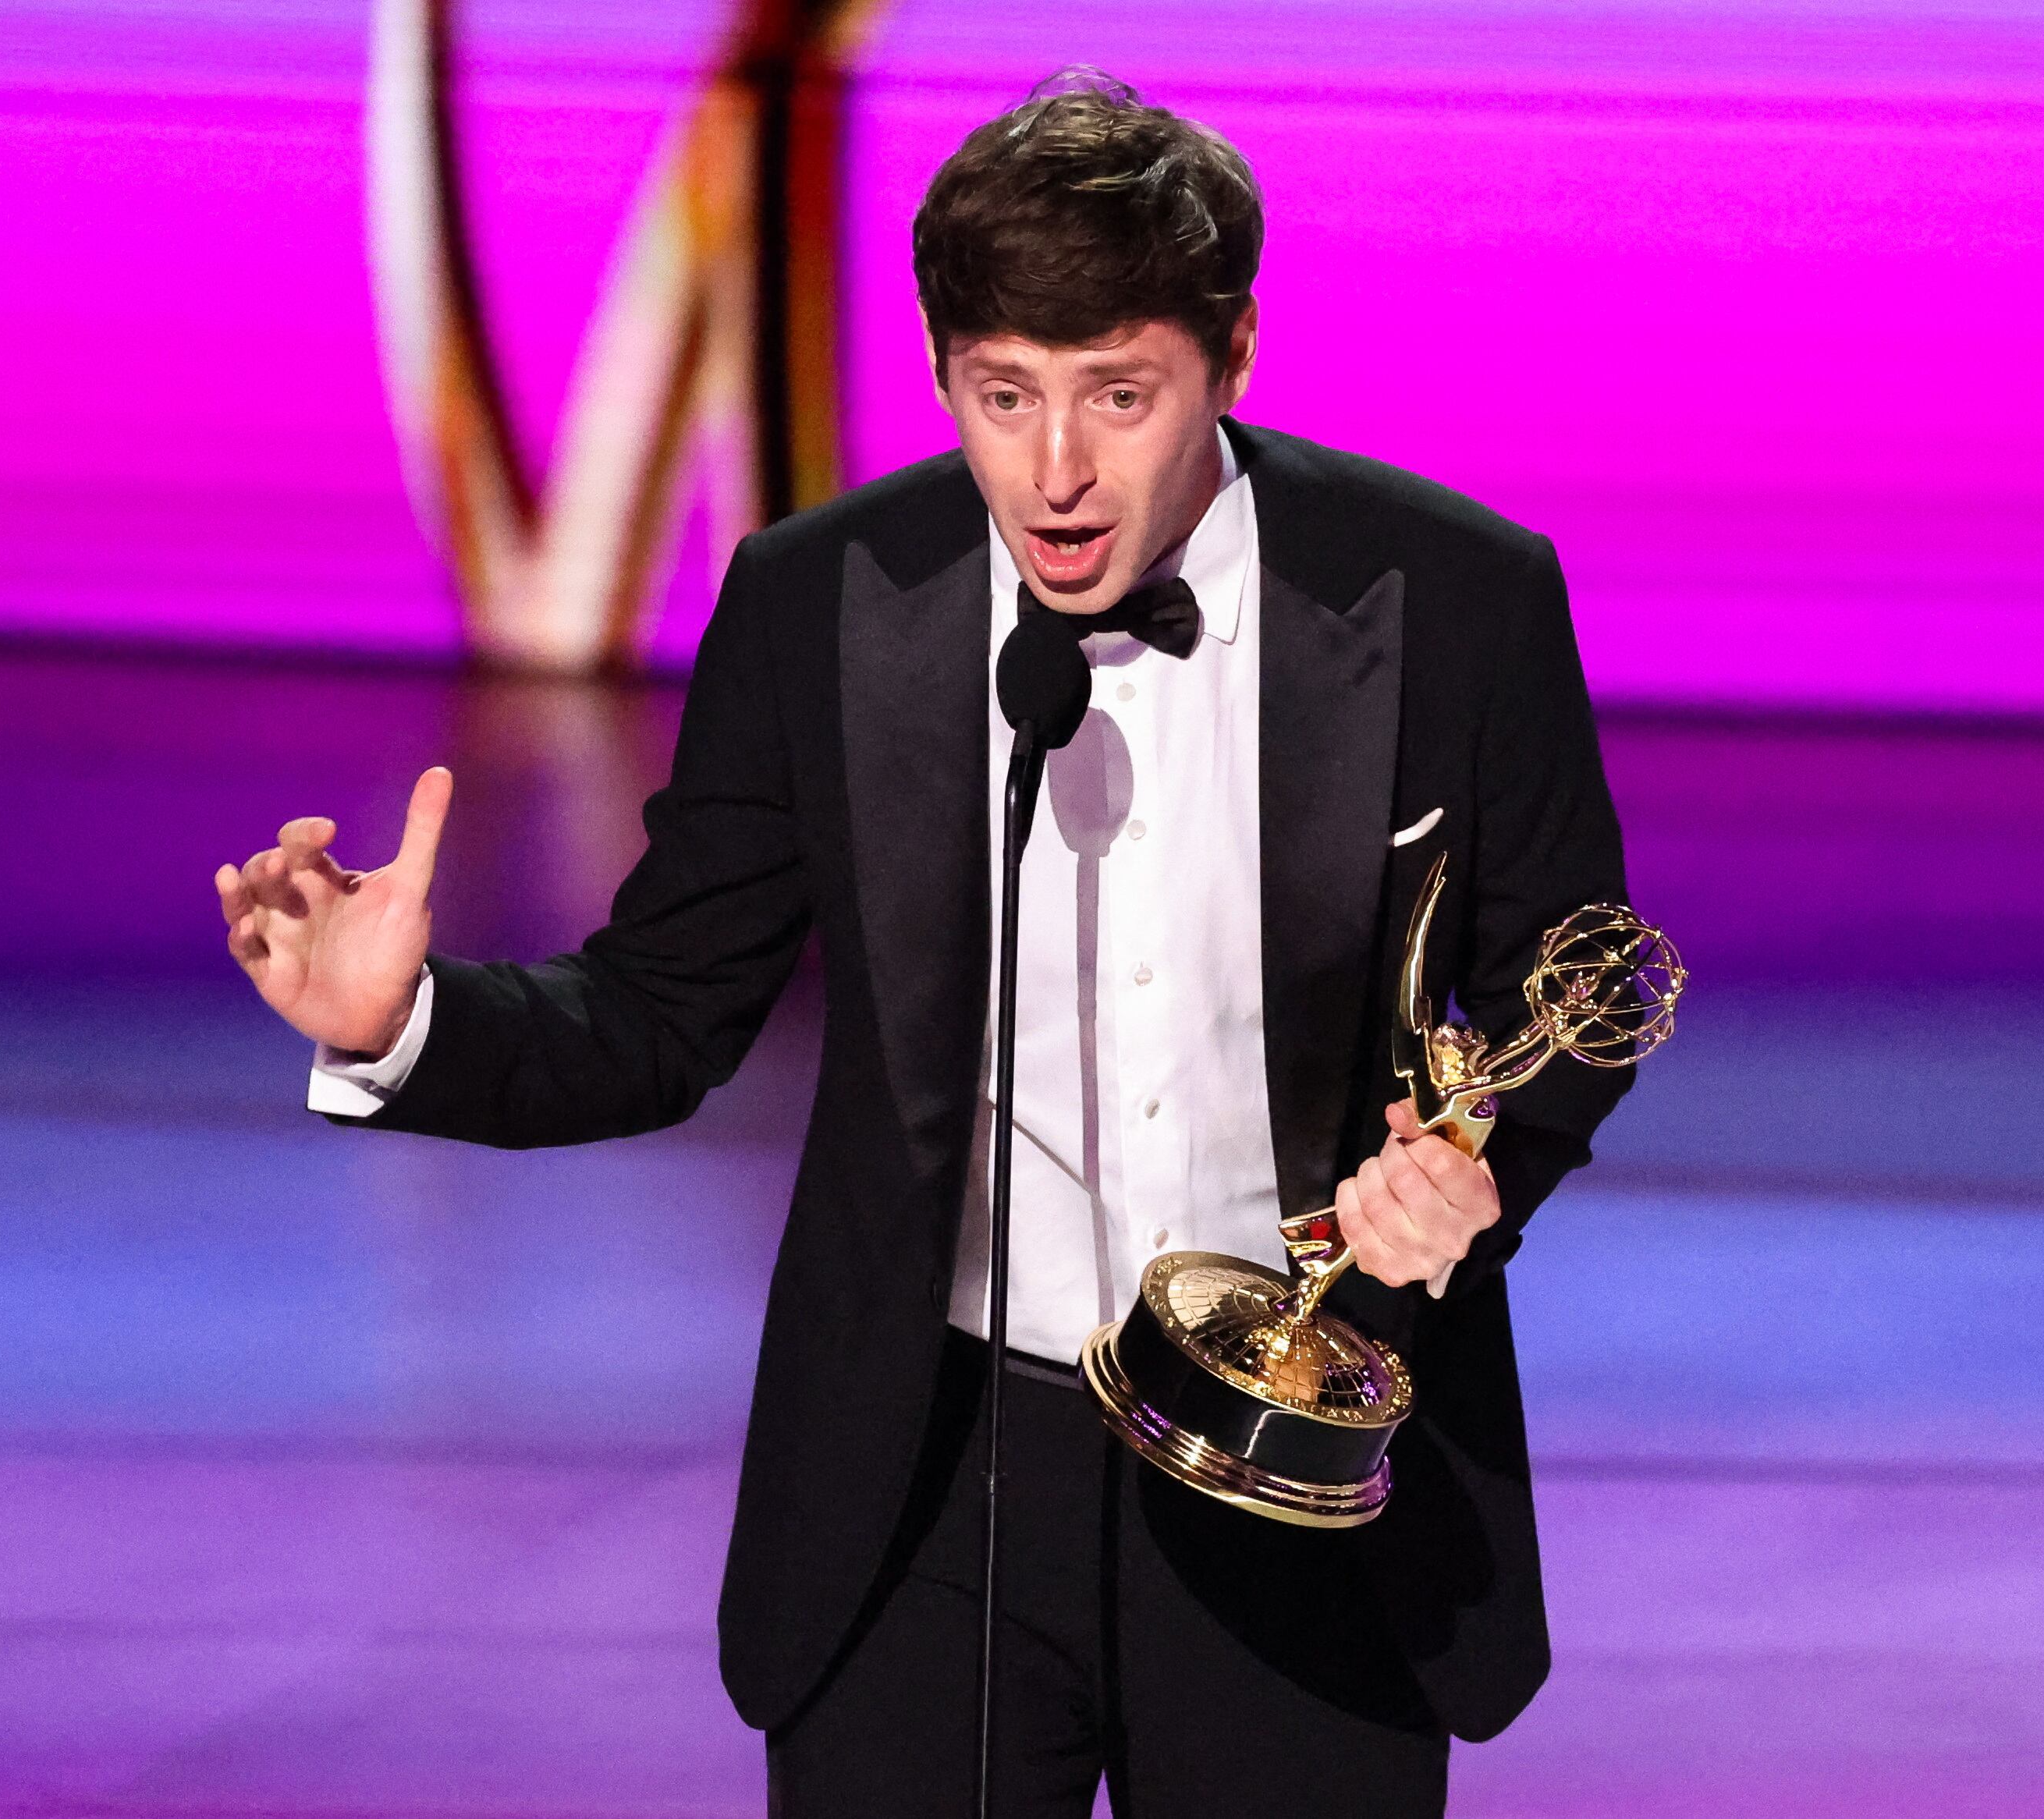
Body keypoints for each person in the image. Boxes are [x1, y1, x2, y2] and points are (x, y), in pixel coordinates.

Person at [215, 69, 1629, 1819]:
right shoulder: (824, 602)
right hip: (931, 1479)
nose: (1054, 472)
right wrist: (403, 1021)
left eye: (1122, 396)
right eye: (1002, 395)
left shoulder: (1453, 596)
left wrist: (1476, 1168)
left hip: (1302, 1465)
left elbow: (1584, 975)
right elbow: (663, 1007)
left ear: (1235, 355)